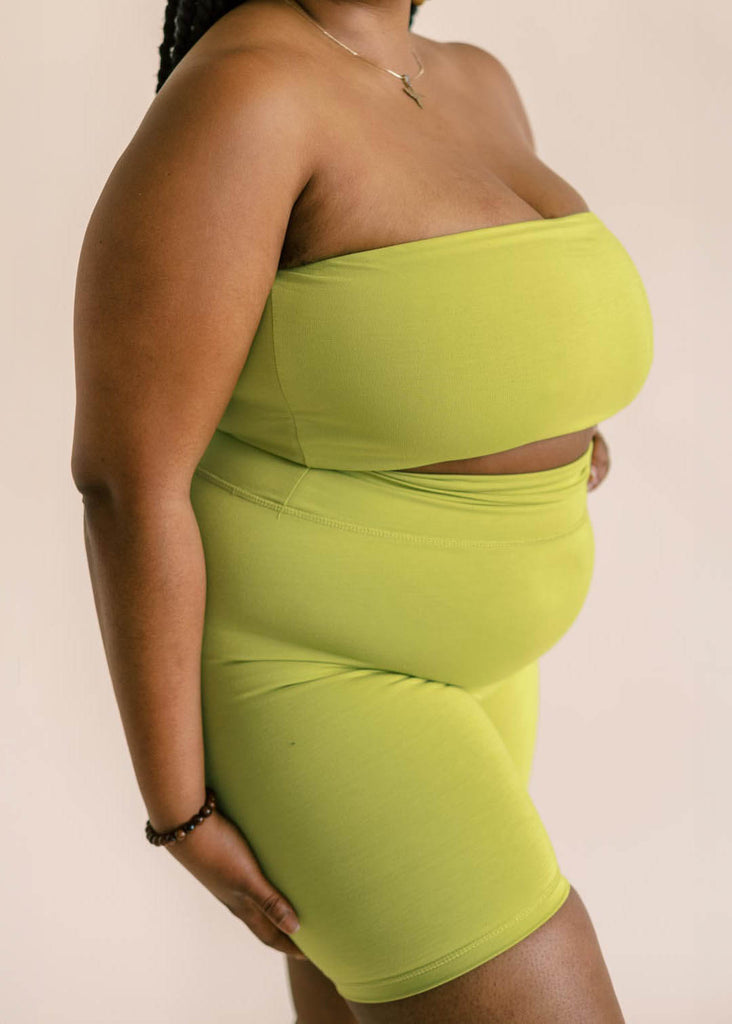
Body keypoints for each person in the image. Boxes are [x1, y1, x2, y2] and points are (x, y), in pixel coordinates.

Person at [71, 1, 653, 1021]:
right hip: (318, 675)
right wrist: (180, 811)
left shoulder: (475, 78)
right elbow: (128, 476)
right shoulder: (247, 91)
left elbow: (458, 317)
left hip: (486, 676)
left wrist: (548, 421)